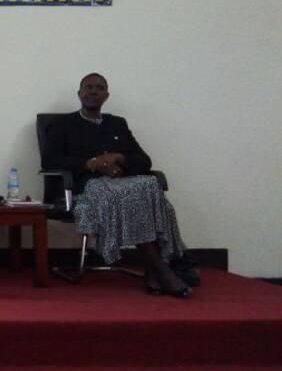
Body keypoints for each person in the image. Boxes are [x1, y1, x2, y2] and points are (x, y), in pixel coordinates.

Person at [44, 72, 195, 298]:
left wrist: (119, 157)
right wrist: (91, 163)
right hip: (89, 186)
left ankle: (153, 271)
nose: (93, 91)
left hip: (123, 183)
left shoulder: (117, 124)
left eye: (99, 88)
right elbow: (50, 160)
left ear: (106, 96)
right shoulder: (63, 124)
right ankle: (162, 270)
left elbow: (144, 161)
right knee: (131, 195)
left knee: (151, 187)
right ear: (79, 93)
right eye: (88, 87)